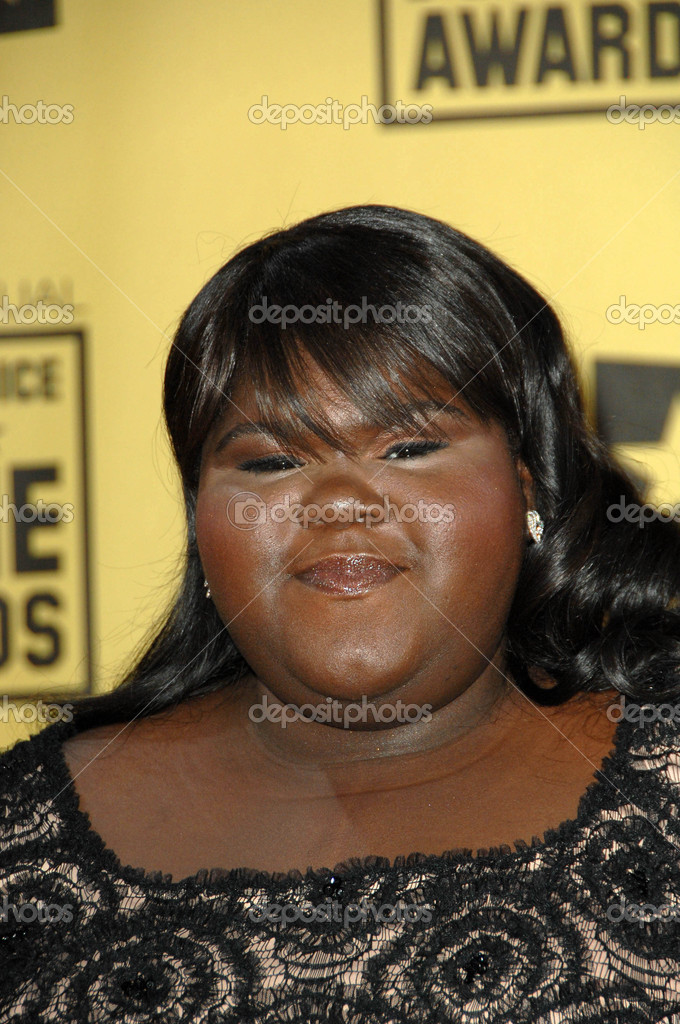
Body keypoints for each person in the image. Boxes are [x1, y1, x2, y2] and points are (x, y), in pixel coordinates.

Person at [1, 204, 680, 1023]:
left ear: (527, 487)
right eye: (274, 459)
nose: (339, 502)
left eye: (409, 448)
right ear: (200, 523)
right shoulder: (24, 830)